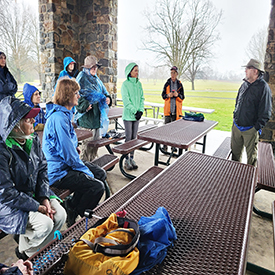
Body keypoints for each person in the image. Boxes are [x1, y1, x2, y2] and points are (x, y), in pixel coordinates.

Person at [0, 97, 67, 260]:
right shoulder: (2, 151)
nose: (33, 120)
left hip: (32, 194)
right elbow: (5, 193)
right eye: (27, 118)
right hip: (8, 204)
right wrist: (37, 207)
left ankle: (28, 249)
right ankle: (33, 255)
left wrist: (43, 198)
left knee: (60, 215)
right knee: (45, 224)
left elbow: (43, 168)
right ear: (14, 125)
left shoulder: (32, 139)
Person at [42, 77, 106, 226]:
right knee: (96, 186)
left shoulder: (64, 114)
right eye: (76, 93)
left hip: (65, 165)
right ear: (67, 95)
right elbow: (69, 156)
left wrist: (73, 147)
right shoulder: (59, 118)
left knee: (100, 174)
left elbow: (65, 147)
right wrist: (85, 170)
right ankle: (79, 212)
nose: (79, 96)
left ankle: (73, 205)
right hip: (58, 172)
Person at [231, 59, 272, 166]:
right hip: (236, 127)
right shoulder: (243, 85)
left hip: (250, 130)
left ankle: (249, 182)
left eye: (248, 68)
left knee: (251, 160)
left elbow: (266, 112)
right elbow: (237, 102)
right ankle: (233, 178)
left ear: (255, 71)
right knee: (234, 156)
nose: (245, 71)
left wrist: (255, 128)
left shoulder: (263, 88)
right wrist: (235, 117)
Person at [76, 55, 112, 161]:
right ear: (86, 67)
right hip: (87, 120)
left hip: (96, 118)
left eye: (96, 67)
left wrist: (108, 99)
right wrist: (85, 105)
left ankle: (93, 168)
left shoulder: (97, 79)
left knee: (94, 146)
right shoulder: (81, 78)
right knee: (86, 147)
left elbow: (105, 92)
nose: (94, 69)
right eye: (92, 67)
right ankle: (84, 172)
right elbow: (75, 96)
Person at [121, 62, 144, 170]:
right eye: (135, 70)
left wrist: (140, 110)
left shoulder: (139, 84)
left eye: (138, 70)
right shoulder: (125, 84)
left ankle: (131, 158)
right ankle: (126, 160)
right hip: (128, 116)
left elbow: (142, 98)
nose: (137, 72)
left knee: (134, 139)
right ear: (130, 71)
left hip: (137, 116)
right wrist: (135, 111)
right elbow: (126, 101)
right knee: (128, 138)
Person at [161, 66, 185, 152]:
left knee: (175, 130)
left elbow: (182, 97)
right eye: (171, 72)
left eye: (174, 73)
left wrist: (177, 95)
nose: (173, 74)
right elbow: (163, 95)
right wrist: (168, 95)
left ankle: (173, 147)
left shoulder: (180, 85)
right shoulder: (167, 83)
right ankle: (165, 146)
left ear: (177, 74)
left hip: (176, 111)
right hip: (168, 111)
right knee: (166, 130)